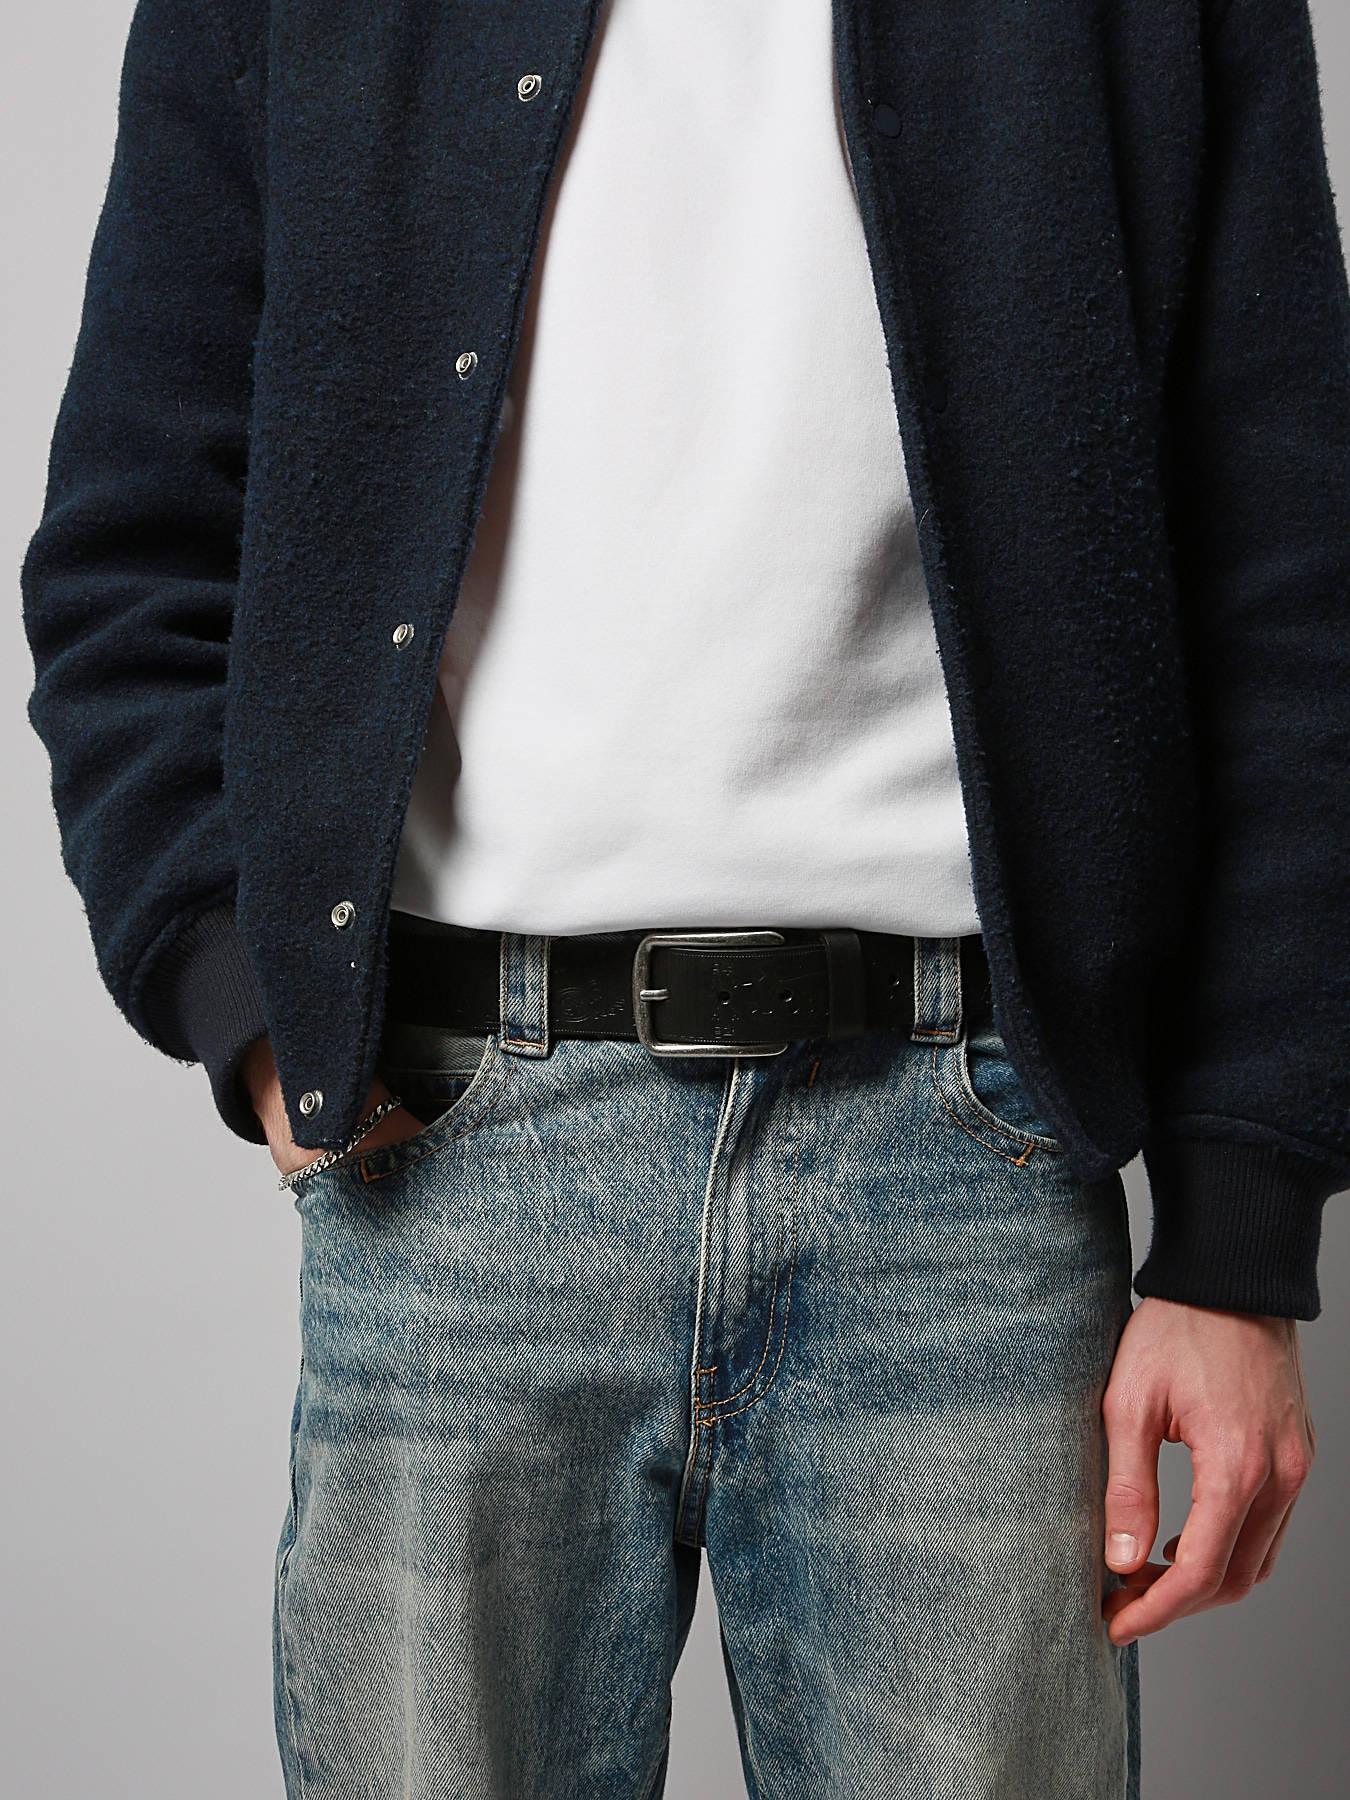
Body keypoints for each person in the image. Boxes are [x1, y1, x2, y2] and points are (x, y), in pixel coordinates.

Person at [20, 0, 1347, 1793]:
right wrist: (238, 991)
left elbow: (1290, 587)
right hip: (455, 1156)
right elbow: (133, 541)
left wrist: (1239, 1235)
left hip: (968, 1166)